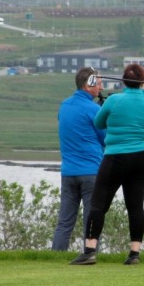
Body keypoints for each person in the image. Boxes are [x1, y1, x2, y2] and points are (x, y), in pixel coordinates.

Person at [70, 64, 144, 265]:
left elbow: (98, 123)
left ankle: (89, 250)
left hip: (116, 156)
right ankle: (134, 253)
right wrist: (143, 95)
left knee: (98, 203)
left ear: (124, 81)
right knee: (135, 206)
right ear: (143, 82)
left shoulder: (114, 100)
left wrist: (107, 110)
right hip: (142, 157)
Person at [51, 67, 106, 251]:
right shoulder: (94, 109)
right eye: (98, 84)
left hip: (68, 172)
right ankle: (90, 254)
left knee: (65, 222)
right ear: (88, 85)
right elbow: (105, 138)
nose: (101, 88)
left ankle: (55, 256)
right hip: (91, 172)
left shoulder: (64, 106)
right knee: (91, 221)